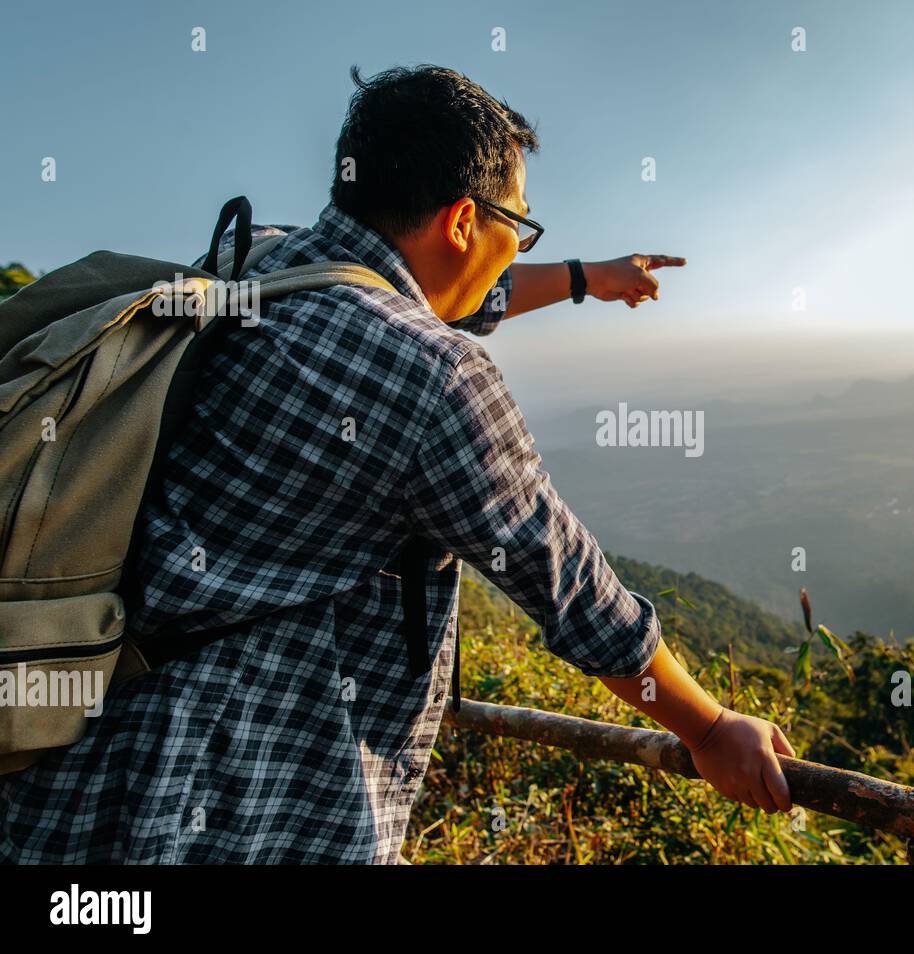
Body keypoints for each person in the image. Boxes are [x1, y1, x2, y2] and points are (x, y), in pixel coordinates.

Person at [0, 65, 793, 864]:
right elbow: (570, 585)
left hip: (68, 760)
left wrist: (591, 279)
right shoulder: (432, 374)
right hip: (220, 800)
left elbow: (448, 292)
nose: (518, 242)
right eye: (518, 222)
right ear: (460, 221)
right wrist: (712, 727)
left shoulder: (260, 262)